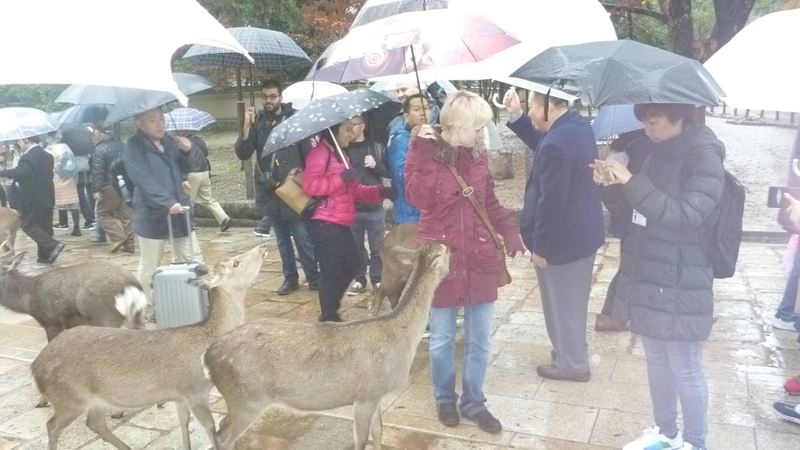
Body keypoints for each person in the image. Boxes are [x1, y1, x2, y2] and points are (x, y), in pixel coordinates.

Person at [597, 103, 725, 450]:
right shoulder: (657, 151)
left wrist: (632, 181)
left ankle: (696, 443)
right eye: (645, 123)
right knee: (655, 357)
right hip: (649, 271)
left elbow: (685, 215)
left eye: (654, 122)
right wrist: (608, 186)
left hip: (683, 277)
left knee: (684, 364)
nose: (648, 130)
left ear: (679, 118)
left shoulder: (704, 158)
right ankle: (665, 432)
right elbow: (636, 211)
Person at [406, 91, 524, 434]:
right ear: (457, 126)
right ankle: (445, 397)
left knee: (480, 338)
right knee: (442, 336)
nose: (482, 134)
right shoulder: (421, 151)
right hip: (441, 260)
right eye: (478, 127)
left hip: (479, 256)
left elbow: (488, 202)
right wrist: (425, 156)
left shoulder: (478, 157)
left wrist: (509, 231)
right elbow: (417, 198)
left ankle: (474, 401)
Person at [503, 88, 604, 382]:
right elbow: (543, 143)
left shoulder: (556, 144)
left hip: (563, 241)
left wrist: (541, 247)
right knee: (571, 301)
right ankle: (569, 350)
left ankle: (572, 364)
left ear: (548, 105)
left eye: (532, 106)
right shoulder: (574, 125)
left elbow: (551, 204)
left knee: (563, 305)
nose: (531, 111)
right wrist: (517, 117)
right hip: (583, 232)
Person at [302, 120, 395, 322]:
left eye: (351, 128)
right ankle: (329, 316)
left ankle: (331, 310)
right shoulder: (320, 153)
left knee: (352, 265)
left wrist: (381, 191)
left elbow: (356, 190)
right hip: (323, 221)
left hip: (341, 220)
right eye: (346, 129)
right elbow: (310, 186)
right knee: (330, 271)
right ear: (333, 131)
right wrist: (340, 178)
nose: (351, 133)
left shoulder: (342, 156)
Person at [235, 79, 320, 295]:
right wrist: (246, 125)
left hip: (292, 188)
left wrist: (304, 178)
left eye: (273, 96)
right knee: (282, 239)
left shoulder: (294, 119)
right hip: (269, 190)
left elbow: (308, 155)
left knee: (302, 237)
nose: (268, 100)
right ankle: (290, 278)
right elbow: (243, 152)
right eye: (265, 97)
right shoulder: (258, 122)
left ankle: (313, 277)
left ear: (281, 96)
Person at [124, 108, 202, 319]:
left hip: (180, 211)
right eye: (152, 120)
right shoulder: (134, 147)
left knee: (191, 257)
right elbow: (142, 179)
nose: (159, 124)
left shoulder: (169, 141)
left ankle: (195, 298)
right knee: (150, 265)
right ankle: (149, 306)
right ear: (139, 123)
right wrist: (166, 202)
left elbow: (187, 166)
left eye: (161, 119)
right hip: (152, 213)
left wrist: (187, 150)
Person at [595, 128, 650, 332]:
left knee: (629, 267)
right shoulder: (640, 143)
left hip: (625, 216)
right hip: (635, 216)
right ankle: (611, 315)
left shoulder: (624, 141)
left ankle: (610, 315)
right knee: (630, 268)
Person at [0, 135, 64, 264]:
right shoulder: (47, 156)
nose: (19, 144)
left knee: (28, 226)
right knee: (44, 226)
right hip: (47, 197)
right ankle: (45, 256)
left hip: (32, 199)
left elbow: (20, 173)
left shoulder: (28, 157)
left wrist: (3, 172)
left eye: (20, 141)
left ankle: (52, 245)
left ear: (26, 141)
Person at [346, 114, 390, 295]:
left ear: (362, 126)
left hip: (374, 208)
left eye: (353, 125)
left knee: (377, 246)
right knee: (355, 247)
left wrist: (376, 165)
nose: (350, 129)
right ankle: (359, 279)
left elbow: (389, 172)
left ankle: (377, 279)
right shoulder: (344, 151)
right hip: (352, 208)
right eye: (347, 126)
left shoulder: (376, 147)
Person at [386, 93, 431, 225]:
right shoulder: (400, 140)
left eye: (426, 108)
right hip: (410, 214)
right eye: (417, 109)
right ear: (406, 116)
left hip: (431, 212)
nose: (423, 113)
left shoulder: (435, 136)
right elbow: (401, 176)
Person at [90, 124, 134, 253]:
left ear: (99, 134)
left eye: (93, 133)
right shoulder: (123, 145)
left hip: (109, 185)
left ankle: (119, 237)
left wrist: (96, 189)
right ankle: (130, 245)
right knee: (126, 215)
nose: (92, 137)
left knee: (101, 213)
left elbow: (97, 171)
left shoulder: (99, 150)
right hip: (125, 184)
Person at [177, 129, 231, 232]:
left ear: (182, 132)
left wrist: (183, 178)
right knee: (208, 199)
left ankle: (189, 224)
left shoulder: (182, 144)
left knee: (188, 200)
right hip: (204, 171)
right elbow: (205, 153)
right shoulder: (199, 140)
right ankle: (224, 218)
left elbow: (181, 160)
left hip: (192, 173)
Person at [45, 131, 82, 237]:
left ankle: (51, 228)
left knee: (52, 203)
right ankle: (76, 227)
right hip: (69, 179)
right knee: (73, 202)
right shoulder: (66, 147)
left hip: (55, 178)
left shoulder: (49, 150)